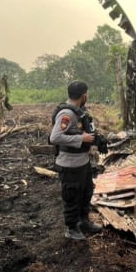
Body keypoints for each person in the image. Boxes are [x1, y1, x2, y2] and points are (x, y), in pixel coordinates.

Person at [49, 81, 104, 240]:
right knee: (72, 196)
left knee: (86, 192)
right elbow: (55, 137)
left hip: (82, 162)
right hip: (69, 164)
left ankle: (84, 221)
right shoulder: (67, 114)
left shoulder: (80, 111)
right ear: (83, 95)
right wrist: (81, 138)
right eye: (87, 94)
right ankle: (71, 229)